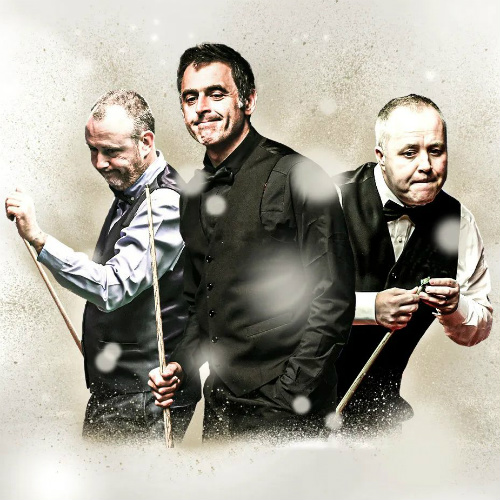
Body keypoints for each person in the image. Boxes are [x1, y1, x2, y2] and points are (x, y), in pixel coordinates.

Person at [148, 43, 355, 441]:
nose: (201, 108)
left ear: (249, 100)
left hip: (288, 411)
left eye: (216, 94)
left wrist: (291, 393)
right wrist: (180, 366)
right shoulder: (192, 195)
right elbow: (200, 304)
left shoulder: (299, 176)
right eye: (190, 98)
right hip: (221, 407)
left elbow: (333, 299)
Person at [5, 90, 200, 442]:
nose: (99, 162)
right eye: (92, 149)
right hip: (121, 393)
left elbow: (112, 287)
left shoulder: (165, 203)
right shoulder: (132, 188)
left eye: (110, 151)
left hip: (147, 397)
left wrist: (39, 239)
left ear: (146, 142)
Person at [334, 94, 493, 435]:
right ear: (380, 157)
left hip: (377, 424)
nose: (426, 165)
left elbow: (478, 327)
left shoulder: (459, 222)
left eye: (436, 150)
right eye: (409, 153)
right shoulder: (325, 201)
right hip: (285, 410)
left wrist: (454, 307)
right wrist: (370, 308)